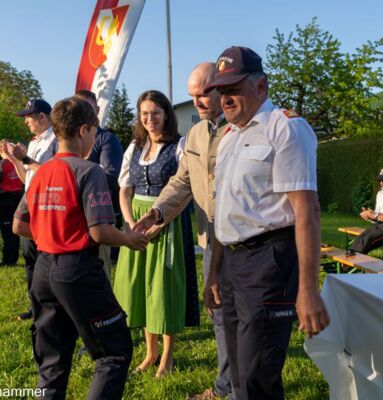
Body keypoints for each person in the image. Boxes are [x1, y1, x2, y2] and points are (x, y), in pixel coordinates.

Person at [202, 46, 330, 400]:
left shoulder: (285, 128)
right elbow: (225, 211)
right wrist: (214, 272)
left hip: (268, 264)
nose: (226, 99)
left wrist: (308, 290)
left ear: (261, 86)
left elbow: (307, 210)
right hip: (232, 263)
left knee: (257, 377)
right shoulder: (229, 138)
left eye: (234, 88)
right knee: (239, 374)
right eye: (221, 91)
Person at [12, 97, 149, 399]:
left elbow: (19, 225)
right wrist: (129, 239)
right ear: (84, 130)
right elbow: (100, 231)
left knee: (52, 361)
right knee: (114, 352)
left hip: (43, 271)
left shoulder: (40, 172)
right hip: (77, 270)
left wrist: (51, 233)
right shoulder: (90, 171)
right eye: (93, 133)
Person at [135, 63, 235, 399]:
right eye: (192, 95)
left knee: (251, 320)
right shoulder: (196, 134)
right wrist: (157, 211)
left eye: (203, 93)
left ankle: (247, 388)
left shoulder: (245, 128)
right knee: (219, 315)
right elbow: (182, 182)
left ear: (222, 88)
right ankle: (225, 387)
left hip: (249, 244)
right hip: (211, 242)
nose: (197, 102)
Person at [113, 90, 197, 379]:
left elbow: (187, 189)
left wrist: (159, 222)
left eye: (156, 113)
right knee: (143, 288)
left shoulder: (179, 145)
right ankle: (151, 353)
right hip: (136, 220)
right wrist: (129, 223)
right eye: (145, 114)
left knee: (164, 288)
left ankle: (168, 357)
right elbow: (124, 190)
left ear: (166, 115)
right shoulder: (135, 147)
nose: (150, 119)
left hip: (168, 222)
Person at [0, 99, 57, 321]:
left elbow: (54, 175)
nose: (26, 122)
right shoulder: (34, 143)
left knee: (46, 257)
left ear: (42, 116)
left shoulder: (56, 140)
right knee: (30, 256)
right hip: (31, 202)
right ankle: (36, 306)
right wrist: (15, 160)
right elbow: (27, 178)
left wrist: (24, 158)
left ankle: (51, 305)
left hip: (47, 204)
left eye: (28, 117)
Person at [74, 90, 124, 276]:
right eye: (80, 107)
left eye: (89, 108)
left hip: (96, 217)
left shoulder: (105, 139)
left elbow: (110, 177)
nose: (84, 112)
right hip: (71, 217)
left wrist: (75, 186)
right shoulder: (63, 140)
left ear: (97, 110)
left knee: (98, 273)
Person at [349, 166, 383, 255]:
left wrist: (375, 215)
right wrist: (370, 216)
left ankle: (351, 259)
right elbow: (377, 216)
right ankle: (349, 258)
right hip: (380, 226)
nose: (381, 183)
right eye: (379, 180)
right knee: (360, 238)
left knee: (367, 240)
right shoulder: (380, 194)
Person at [0, 157, 23, 265]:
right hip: (17, 197)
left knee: (7, 231)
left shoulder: (2, 163)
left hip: (5, 198)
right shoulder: (17, 161)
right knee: (13, 231)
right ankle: (13, 258)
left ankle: (8, 260)